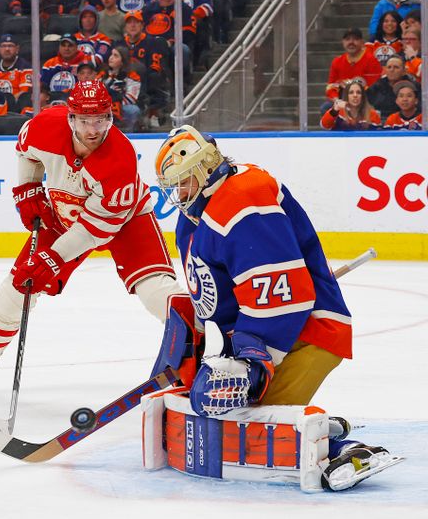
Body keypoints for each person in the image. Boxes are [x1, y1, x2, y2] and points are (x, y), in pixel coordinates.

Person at [154, 124, 400, 491]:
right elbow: (211, 293)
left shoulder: (242, 202)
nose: (177, 193)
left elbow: (288, 301)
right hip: (257, 332)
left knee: (249, 431)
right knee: (219, 408)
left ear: (205, 169)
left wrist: (252, 365)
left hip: (308, 332)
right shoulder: (194, 213)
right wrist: (205, 350)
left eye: (183, 181)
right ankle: (318, 424)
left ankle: (341, 448)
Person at [0, 80, 184, 392]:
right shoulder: (45, 125)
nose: (93, 130)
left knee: (156, 290)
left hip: (127, 220)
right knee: (18, 284)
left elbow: (93, 230)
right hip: (61, 212)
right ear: (70, 117)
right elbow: (27, 153)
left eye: (100, 120)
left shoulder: (120, 159)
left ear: (110, 118)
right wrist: (28, 188)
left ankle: (202, 346)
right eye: (85, 121)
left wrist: (53, 258)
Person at [325, 27, 382, 104]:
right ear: (343, 42)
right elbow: (331, 86)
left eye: (355, 39)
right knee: (326, 107)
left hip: (365, 100)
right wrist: (336, 100)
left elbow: (374, 88)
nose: (351, 42)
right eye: (347, 39)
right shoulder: (337, 61)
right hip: (342, 99)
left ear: (362, 42)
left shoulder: (371, 60)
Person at [99, 45, 142, 132]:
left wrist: (115, 99)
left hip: (122, 108)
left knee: (133, 110)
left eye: (115, 55)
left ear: (123, 61)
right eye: (111, 54)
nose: (111, 58)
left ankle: (129, 133)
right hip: (104, 107)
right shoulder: (103, 74)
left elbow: (131, 99)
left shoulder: (132, 76)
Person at [367, 54, 418, 119]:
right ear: (385, 70)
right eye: (389, 67)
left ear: (404, 71)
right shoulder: (376, 86)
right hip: (380, 123)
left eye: (396, 67)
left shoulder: (414, 87)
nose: (392, 70)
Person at [0, 33, 32, 99]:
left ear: (17, 49)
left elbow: (24, 93)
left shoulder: (25, 67)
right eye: (3, 46)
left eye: (10, 46)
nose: (7, 49)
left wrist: (6, 102)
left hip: (15, 107)